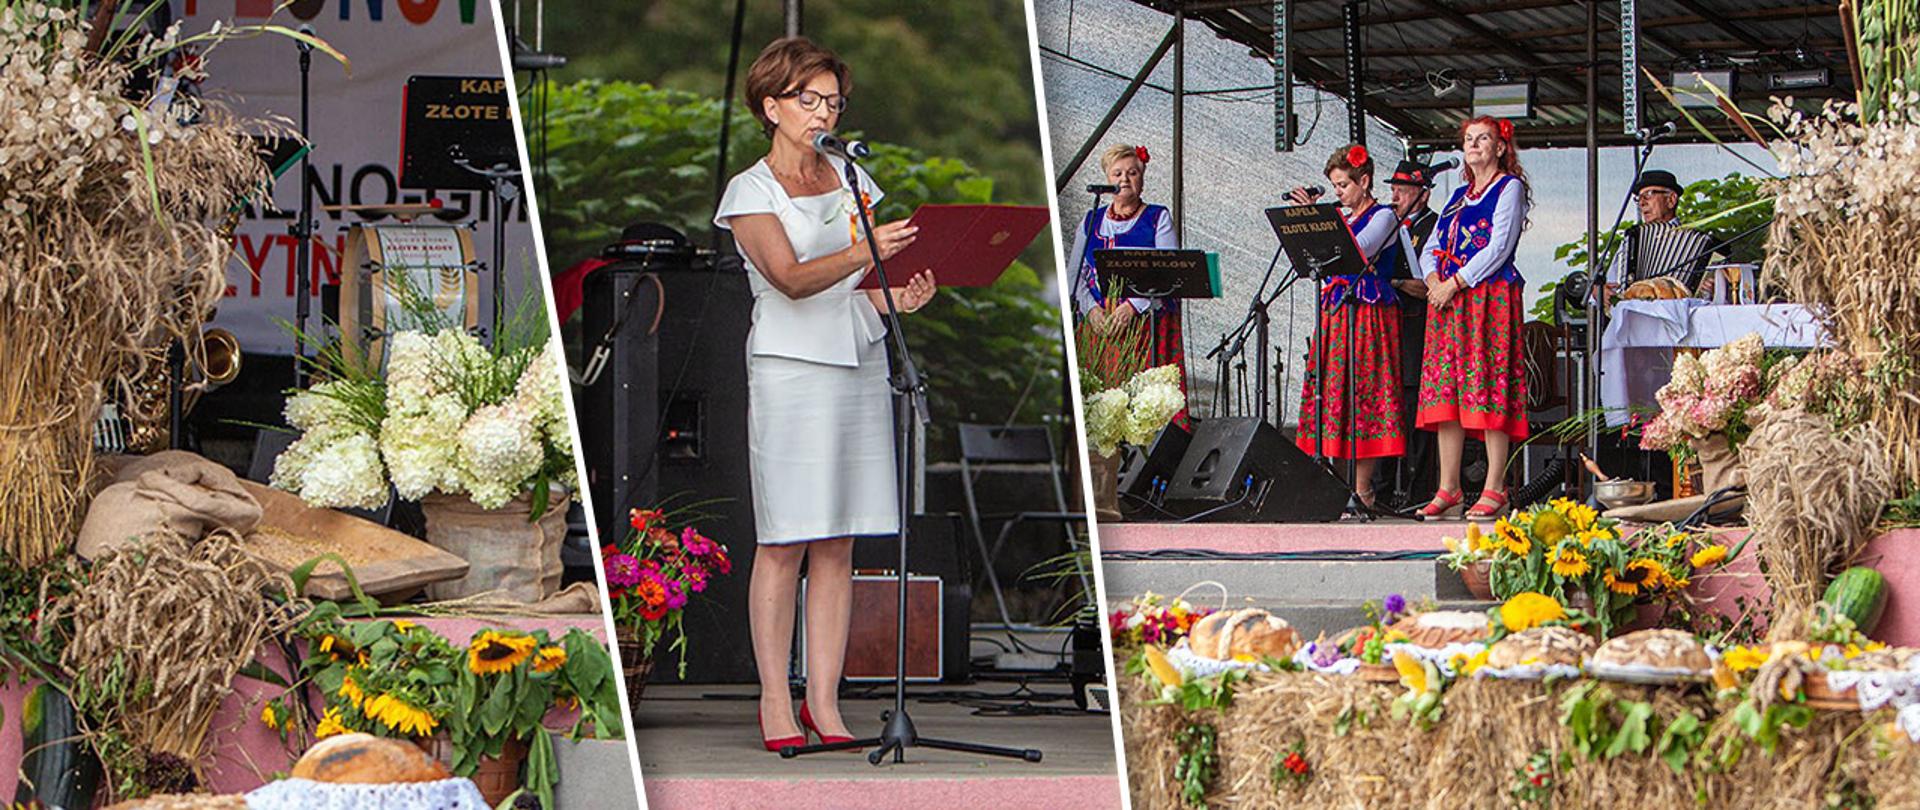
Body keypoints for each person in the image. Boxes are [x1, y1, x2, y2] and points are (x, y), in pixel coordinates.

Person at [714, 36, 938, 752]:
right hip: (790, 369)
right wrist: (869, 255)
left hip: (854, 360)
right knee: (784, 538)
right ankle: (775, 700)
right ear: (771, 104)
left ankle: (826, 701)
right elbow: (791, 277)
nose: (823, 113)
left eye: (834, 101)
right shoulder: (750, 191)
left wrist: (896, 296)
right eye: (809, 100)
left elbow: (859, 284)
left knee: (839, 539)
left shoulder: (850, 179)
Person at [1415, 117, 1531, 521]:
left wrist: (1456, 281)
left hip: (1487, 298)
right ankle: (1449, 487)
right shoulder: (1459, 195)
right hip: (1449, 301)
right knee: (1448, 392)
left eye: (1483, 138)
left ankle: (1495, 486)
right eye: (1469, 139)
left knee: (1489, 384)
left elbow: (1500, 245)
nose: (1474, 144)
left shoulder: (1508, 188)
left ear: (1500, 148)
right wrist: (1432, 278)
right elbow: (1431, 243)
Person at [1284, 145, 1404, 509]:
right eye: (1335, 187)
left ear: (1364, 181)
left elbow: (1356, 251)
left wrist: (1318, 218)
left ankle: (1363, 488)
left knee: (1365, 394)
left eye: (1343, 186)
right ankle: (1334, 484)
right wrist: (1310, 221)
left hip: (1369, 313)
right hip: (1337, 312)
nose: (1339, 194)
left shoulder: (1384, 216)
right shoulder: (1343, 217)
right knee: (1333, 393)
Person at [1068, 144, 1187, 417]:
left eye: (1132, 173)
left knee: (1144, 405)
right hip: (1101, 325)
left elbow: (1168, 270)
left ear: (1142, 178)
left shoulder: (1157, 218)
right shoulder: (1091, 220)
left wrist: (1131, 306)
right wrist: (1092, 310)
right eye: (1117, 173)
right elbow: (1076, 274)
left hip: (1145, 325)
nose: (1124, 179)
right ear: (1108, 179)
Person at [1601, 169, 1714, 299]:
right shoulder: (1632, 240)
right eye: (1638, 198)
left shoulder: (1699, 243)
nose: (1642, 203)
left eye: (1648, 195)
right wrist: (1602, 292)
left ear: (1671, 200)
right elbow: (1612, 285)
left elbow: (1715, 298)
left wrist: (1709, 290)